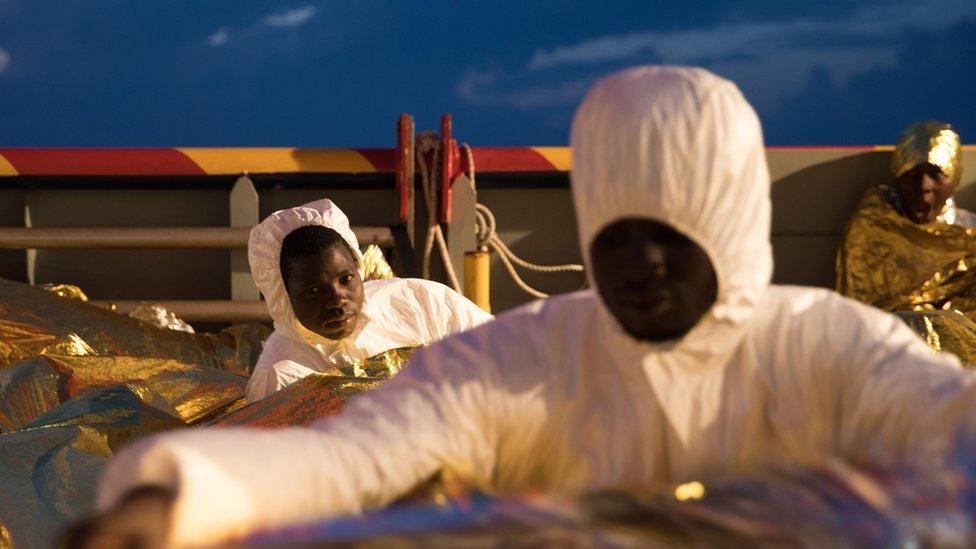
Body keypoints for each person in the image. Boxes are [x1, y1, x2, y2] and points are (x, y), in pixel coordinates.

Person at [77, 66, 976, 547]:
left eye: (671, 237)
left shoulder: (823, 347)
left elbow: (943, 413)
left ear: (733, 228)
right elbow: (355, 457)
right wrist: (178, 497)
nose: (641, 266)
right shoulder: (543, 356)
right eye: (617, 236)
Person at [244, 199, 493, 402]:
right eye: (312, 291)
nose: (336, 300)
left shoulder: (418, 302)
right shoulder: (281, 377)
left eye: (345, 279)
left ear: (357, 267)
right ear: (283, 297)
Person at [837, 122, 976, 317]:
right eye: (911, 174)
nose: (924, 186)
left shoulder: (971, 235)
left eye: (936, 174)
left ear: (954, 179)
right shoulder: (870, 232)